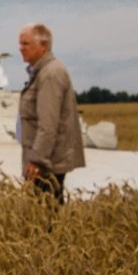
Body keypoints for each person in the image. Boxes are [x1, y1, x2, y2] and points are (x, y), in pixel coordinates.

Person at [17, 23, 85, 202]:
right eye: (20, 44)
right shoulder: (42, 72)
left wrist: (37, 161)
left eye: (26, 44)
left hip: (47, 164)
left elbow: (48, 124)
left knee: (45, 217)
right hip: (45, 161)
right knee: (43, 216)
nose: (20, 48)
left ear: (43, 46)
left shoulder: (50, 74)